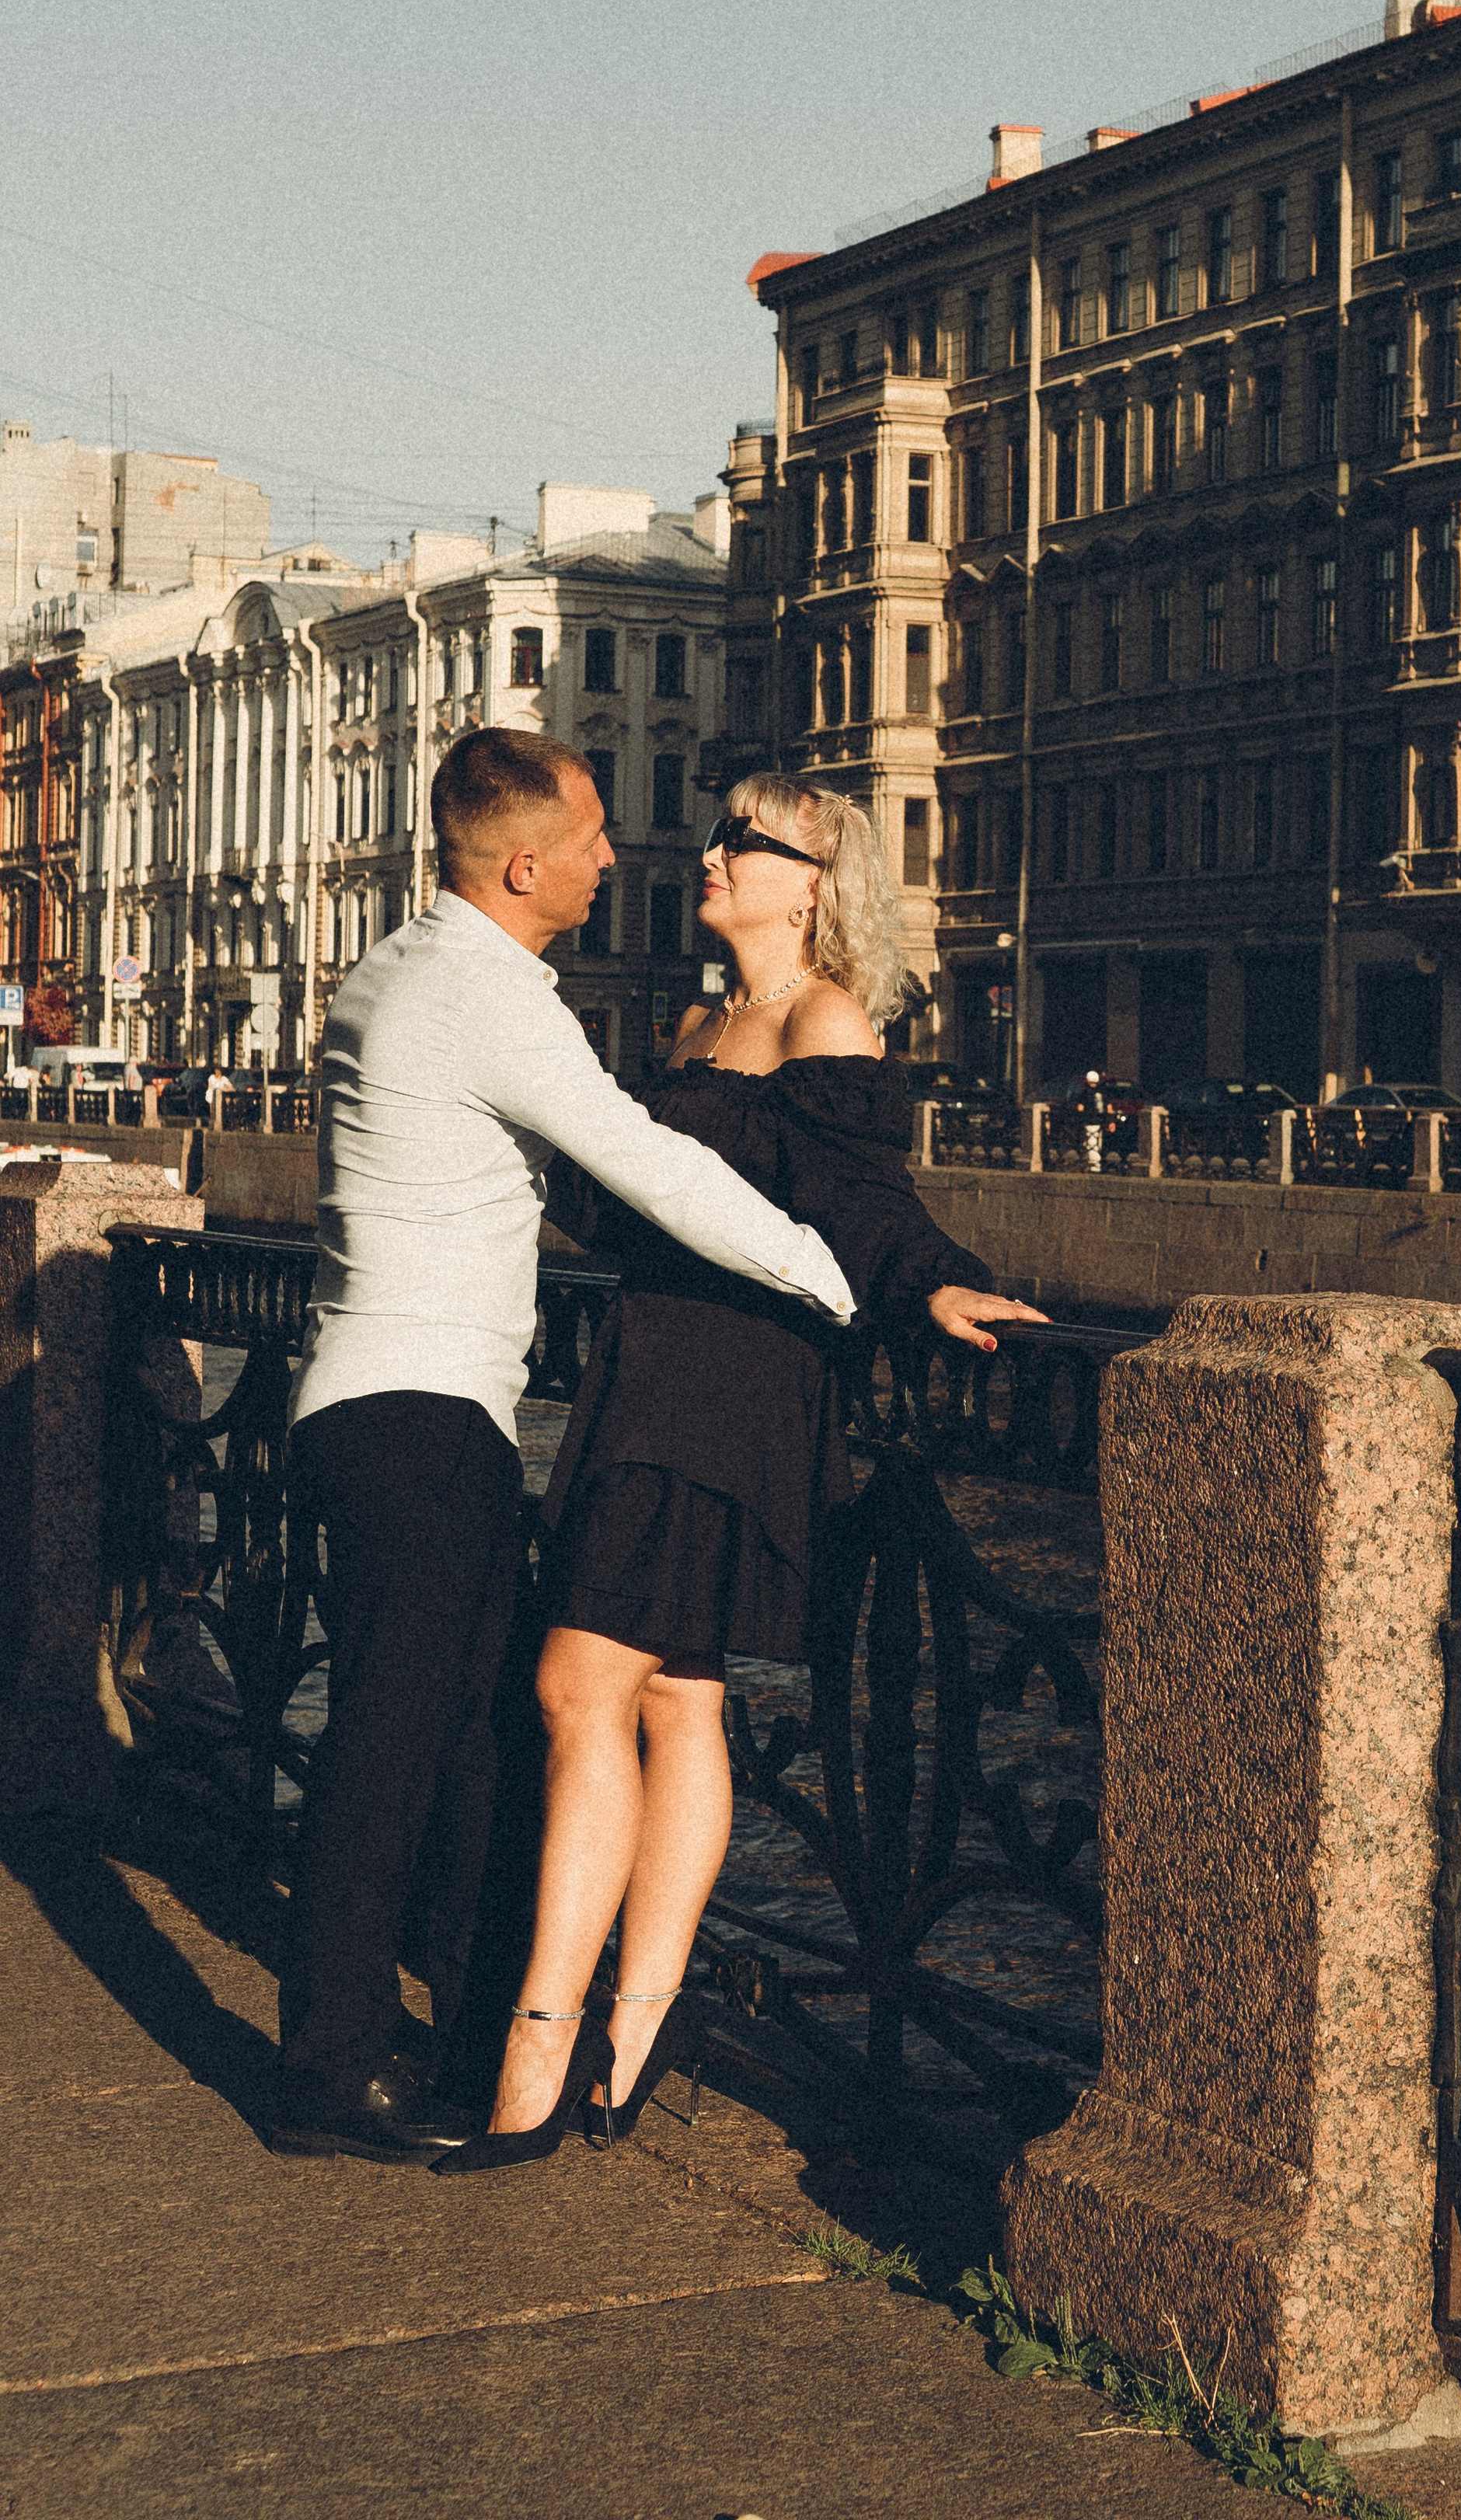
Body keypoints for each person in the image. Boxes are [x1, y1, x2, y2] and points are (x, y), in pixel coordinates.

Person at [436, 776, 1044, 2170]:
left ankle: (545, 2039)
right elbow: (630, 1195)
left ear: (814, 883)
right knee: (675, 1695)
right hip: (650, 1368)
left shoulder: (825, 1021)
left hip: (739, 1389)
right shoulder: (700, 1021)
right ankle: (638, 2034)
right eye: (717, 832)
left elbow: (865, 1204)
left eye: (743, 843)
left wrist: (939, 1284)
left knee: (574, 1683)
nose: (709, 854)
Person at [268, 730, 854, 2166]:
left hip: (376, 1404)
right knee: (395, 1748)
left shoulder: (399, 971)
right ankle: (329, 2070)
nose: (618, 856)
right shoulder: (484, 999)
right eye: (593, 837)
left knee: (471, 1736)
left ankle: (471, 2033)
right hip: (421, 1416)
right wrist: (832, 1278)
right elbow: (642, 1163)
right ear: (524, 865)